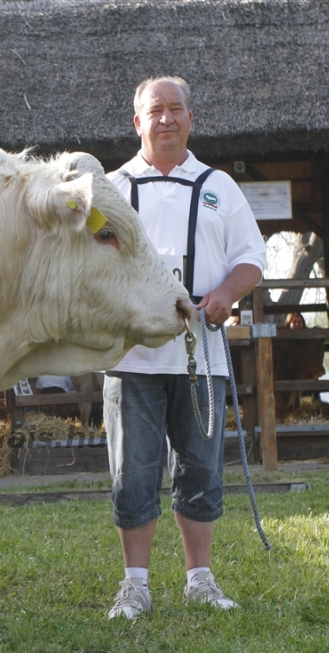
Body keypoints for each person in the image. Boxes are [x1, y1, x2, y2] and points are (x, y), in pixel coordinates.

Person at [104, 76, 266, 620]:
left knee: (200, 467)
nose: (166, 119)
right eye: (156, 111)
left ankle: (200, 579)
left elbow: (251, 259)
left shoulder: (220, 186)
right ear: (138, 122)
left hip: (203, 354)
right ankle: (135, 585)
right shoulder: (111, 188)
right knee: (135, 470)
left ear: (191, 119)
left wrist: (225, 294)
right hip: (132, 357)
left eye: (176, 109)